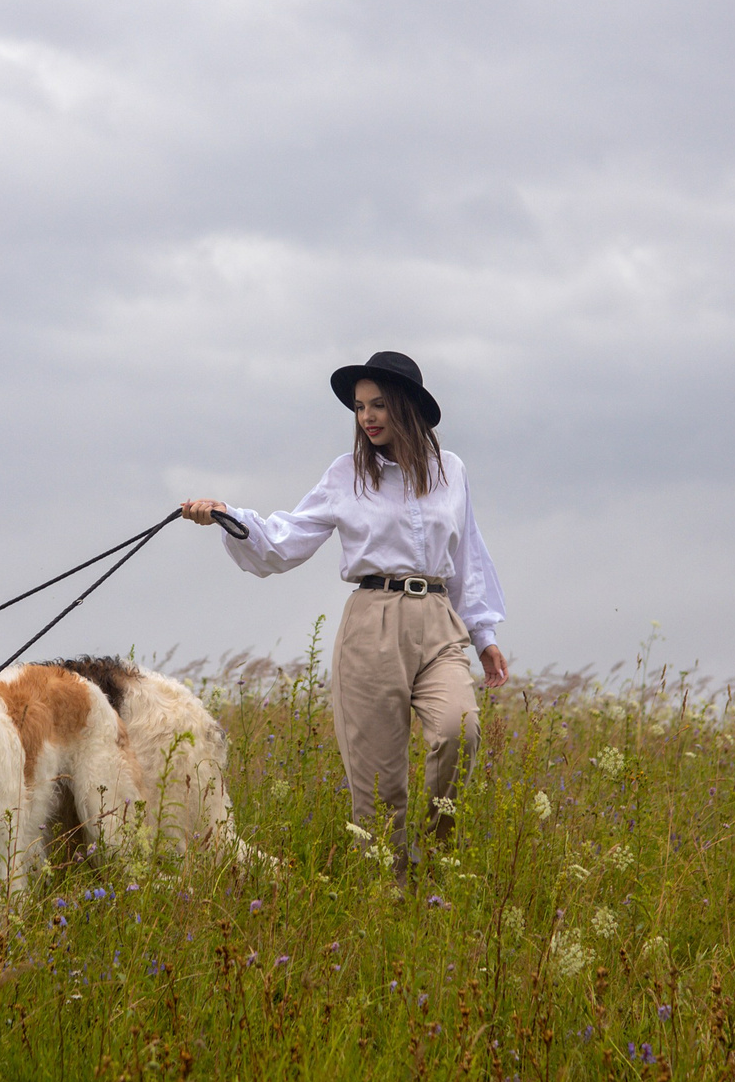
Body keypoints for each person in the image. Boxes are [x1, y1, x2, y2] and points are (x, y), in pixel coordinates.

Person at [180, 350, 507, 876]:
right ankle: (390, 894)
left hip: (440, 620)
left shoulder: (452, 472)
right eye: (359, 408)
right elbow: (287, 538)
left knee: (459, 731)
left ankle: (436, 861)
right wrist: (226, 517)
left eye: (378, 405)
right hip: (372, 623)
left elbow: (468, 553)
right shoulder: (346, 475)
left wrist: (484, 634)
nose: (368, 417)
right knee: (380, 785)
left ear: (405, 406)